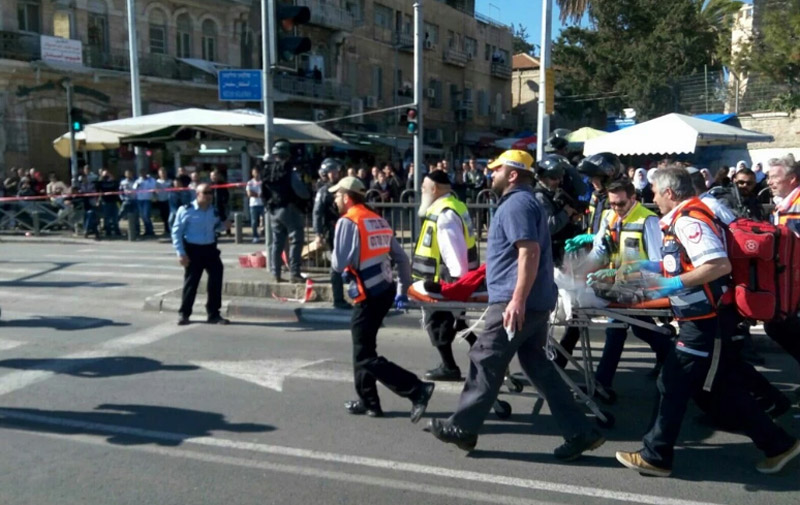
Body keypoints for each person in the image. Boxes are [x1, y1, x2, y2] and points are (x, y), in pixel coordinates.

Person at [616, 166, 799, 477]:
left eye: (656, 193)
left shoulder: (688, 221)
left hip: (705, 321)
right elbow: (682, 261)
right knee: (723, 387)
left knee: (672, 383)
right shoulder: (685, 218)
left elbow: (716, 264)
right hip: (706, 318)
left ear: (670, 193)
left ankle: (656, 456)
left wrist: (674, 285)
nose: (653, 198)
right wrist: (643, 266)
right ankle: (778, 444)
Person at [429, 150, 604, 459]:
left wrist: (517, 300)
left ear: (512, 174)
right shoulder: (527, 202)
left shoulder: (516, 205)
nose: (491, 173)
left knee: (486, 357)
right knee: (537, 366)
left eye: (496, 169)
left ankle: (464, 428)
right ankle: (580, 431)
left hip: (517, 300)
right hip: (532, 300)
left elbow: (529, 252)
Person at [329, 176, 435, 421]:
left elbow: (338, 264)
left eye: (337, 195)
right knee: (363, 348)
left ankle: (416, 389)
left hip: (367, 294)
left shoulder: (348, 222)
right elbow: (401, 258)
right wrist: (402, 289)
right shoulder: (377, 220)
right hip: (384, 291)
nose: (334, 199)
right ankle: (369, 402)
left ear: (347, 197)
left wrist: (331, 244)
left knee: (364, 355)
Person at [582, 180, 670, 393]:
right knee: (639, 327)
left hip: (642, 285)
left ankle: (602, 382)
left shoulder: (647, 221)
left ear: (633, 199)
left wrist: (623, 272)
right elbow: (600, 251)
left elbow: (659, 262)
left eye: (620, 204)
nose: (616, 209)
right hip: (618, 286)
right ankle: (669, 353)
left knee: (616, 328)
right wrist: (583, 267)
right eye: (612, 204)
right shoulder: (609, 217)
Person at [412, 170, 479, 381]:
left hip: (444, 282)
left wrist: (458, 286)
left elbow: (454, 253)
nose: (421, 190)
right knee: (457, 323)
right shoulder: (453, 206)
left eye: (424, 187)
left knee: (440, 326)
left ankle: (450, 366)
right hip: (443, 280)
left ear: (434, 189)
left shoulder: (445, 214)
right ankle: (485, 354)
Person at [171, 183, 229, 326]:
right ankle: (184, 314)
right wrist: (181, 253)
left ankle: (214, 314)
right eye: (206, 192)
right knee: (192, 283)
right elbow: (176, 233)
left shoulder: (213, 211)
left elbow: (216, 227)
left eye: (210, 193)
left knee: (216, 280)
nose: (209, 195)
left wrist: (225, 226)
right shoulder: (186, 210)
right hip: (193, 250)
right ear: (197, 194)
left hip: (210, 249)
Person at [764, 154, 800, 371]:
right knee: (777, 325)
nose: (769, 182)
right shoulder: (784, 205)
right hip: (789, 279)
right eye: (768, 177)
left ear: (792, 179)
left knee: (779, 326)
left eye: (775, 177)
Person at [262, 140, 309, 283]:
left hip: (273, 211)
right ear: (287, 155)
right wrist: (308, 193)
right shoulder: (289, 171)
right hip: (289, 209)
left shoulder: (267, 170)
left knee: (277, 242)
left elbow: (263, 192)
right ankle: (295, 273)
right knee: (296, 240)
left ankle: (276, 273)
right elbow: (301, 192)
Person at [313, 158, 350, 310]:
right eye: (331, 171)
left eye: (336, 171)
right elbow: (317, 213)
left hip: (346, 228)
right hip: (333, 230)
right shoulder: (323, 191)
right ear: (325, 173)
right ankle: (338, 299)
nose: (335, 174)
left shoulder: (341, 187)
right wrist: (318, 233)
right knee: (336, 265)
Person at [531, 154, 582, 268]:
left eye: (560, 177)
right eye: (554, 178)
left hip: (558, 251)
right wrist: (565, 213)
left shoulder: (551, 193)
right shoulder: (540, 197)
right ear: (542, 178)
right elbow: (548, 226)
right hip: (550, 254)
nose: (558, 181)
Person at [96, 170, 122, 237]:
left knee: (115, 217)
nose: (106, 176)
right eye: (105, 175)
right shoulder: (101, 183)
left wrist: (111, 177)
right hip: (105, 202)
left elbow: (117, 185)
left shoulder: (113, 182)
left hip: (114, 201)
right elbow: (97, 188)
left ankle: (117, 231)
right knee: (106, 217)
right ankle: (108, 231)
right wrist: (101, 178)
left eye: (107, 174)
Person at [133, 168, 156, 236]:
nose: (143, 174)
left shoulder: (151, 180)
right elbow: (134, 188)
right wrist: (138, 185)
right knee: (142, 216)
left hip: (147, 199)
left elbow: (153, 187)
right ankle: (147, 230)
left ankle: (150, 230)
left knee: (146, 215)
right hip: (140, 200)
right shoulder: (138, 180)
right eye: (141, 173)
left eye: (144, 172)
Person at [210, 169, 231, 237]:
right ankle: (217, 232)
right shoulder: (210, 185)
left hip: (221, 204)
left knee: (224, 217)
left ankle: (228, 231)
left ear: (218, 176)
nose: (213, 177)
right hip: (213, 204)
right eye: (212, 176)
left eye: (215, 175)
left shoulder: (222, 184)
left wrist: (225, 201)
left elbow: (226, 194)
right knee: (214, 219)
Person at [246, 168, 265, 243]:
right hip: (254, 205)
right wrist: (258, 195)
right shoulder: (250, 182)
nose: (256, 174)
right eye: (255, 172)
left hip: (263, 204)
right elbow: (249, 193)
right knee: (254, 222)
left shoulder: (262, 181)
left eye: (257, 172)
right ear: (252, 173)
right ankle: (255, 236)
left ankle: (265, 234)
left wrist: (262, 194)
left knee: (266, 221)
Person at [118, 169, 138, 236]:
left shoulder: (135, 181)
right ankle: (117, 227)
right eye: (127, 173)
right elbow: (120, 191)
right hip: (126, 200)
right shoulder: (123, 182)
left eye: (130, 173)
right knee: (121, 213)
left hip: (134, 200)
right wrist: (122, 198)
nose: (129, 175)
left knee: (135, 215)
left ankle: (137, 230)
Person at [155, 168, 172, 237]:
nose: (163, 174)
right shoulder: (157, 182)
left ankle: (170, 229)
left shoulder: (170, 181)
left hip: (168, 200)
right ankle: (166, 229)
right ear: (159, 174)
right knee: (163, 216)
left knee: (169, 216)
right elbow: (154, 191)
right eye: (161, 173)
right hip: (161, 200)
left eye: (164, 172)